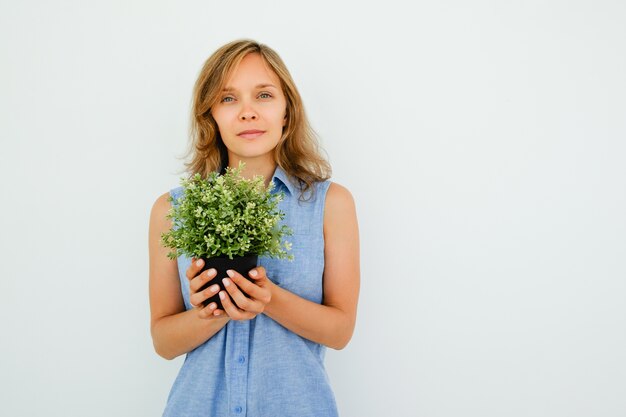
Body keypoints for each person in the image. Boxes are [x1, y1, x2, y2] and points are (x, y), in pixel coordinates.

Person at [148, 39, 360, 417]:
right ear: (209, 114)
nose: (247, 112)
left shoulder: (331, 205)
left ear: (286, 112)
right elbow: (163, 342)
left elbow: (340, 331)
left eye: (263, 95)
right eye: (228, 99)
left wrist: (267, 299)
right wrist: (211, 309)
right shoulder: (172, 210)